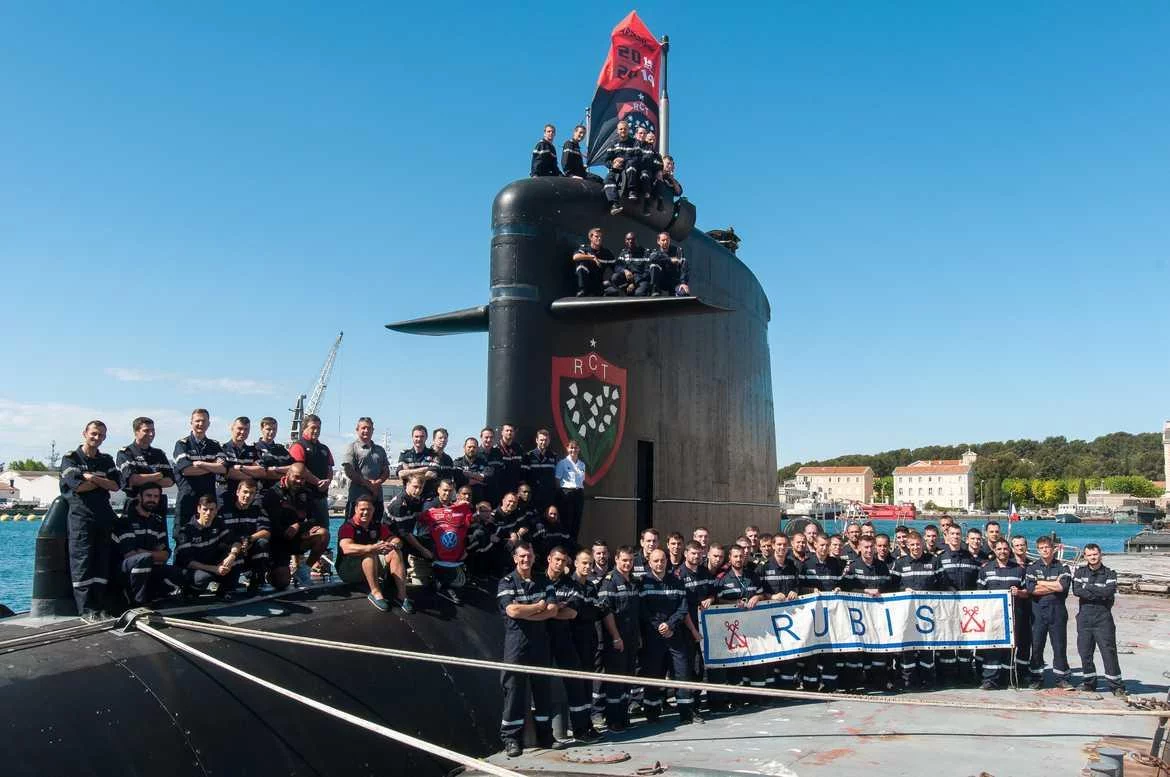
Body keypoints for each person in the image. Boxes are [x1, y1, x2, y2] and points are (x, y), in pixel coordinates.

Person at [499, 542, 559, 756]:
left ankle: (546, 735)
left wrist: (532, 612)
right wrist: (537, 607)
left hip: (539, 643)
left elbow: (552, 610)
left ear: (534, 558)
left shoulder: (543, 580)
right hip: (517, 643)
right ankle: (511, 738)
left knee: (542, 689)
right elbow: (512, 610)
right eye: (522, 556)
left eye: (529, 556)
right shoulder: (506, 582)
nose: (526, 560)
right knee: (514, 690)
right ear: (515, 558)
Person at [60, 420, 123, 620]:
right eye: (94, 434)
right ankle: (86, 609)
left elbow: (115, 486)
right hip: (81, 518)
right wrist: (100, 482)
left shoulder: (106, 459)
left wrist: (92, 478)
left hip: (103, 518)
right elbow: (77, 486)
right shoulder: (70, 459)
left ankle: (100, 606)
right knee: (83, 562)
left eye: (101, 435)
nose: (97, 438)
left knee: (101, 561)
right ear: (85, 433)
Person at [541, 547, 602, 743]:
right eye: (556, 560)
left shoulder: (571, 585)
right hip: (539, 640)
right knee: (539, 685)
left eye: (562, 561)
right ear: (549, 559)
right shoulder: (538, 581)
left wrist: (542, 612)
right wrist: (553, 610)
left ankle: (581, 727)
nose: (559, 564)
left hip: (564, 639)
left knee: (576, 684)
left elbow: (572, 613)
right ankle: (544, 735)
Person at [638, 548, 699, 724]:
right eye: (655, 561)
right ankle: (652, 714)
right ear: (649, 562)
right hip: (653, 637)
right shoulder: (643, 582)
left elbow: (683, 608)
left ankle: (686, 713)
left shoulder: (676, 581)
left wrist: (670, 625)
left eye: (662, 560)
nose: (659, 564)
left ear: (666, 561)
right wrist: (659, 627)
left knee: (681, 673)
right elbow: (643, 611)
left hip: (675, 635)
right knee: (653, 674)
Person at [708, 545, 765, 709]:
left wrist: (757, 597)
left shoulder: (752, 576)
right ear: (730, 558)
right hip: (732, 629)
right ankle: (736, 699)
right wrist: (734, 604)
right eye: (735, 556)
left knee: (754, 662)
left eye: (741, 556)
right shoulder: (722, 579)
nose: (739, 559)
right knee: (735, 665)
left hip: (753, 629)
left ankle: (755, 698)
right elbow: (717, 602)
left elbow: (762, 593)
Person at [337, 495, 411, 613]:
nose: (366, 512)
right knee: (369, 553)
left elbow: (395, 539)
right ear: (356, 509)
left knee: (395, 553)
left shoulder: (377, 526)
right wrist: (372, 547)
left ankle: (402, 596)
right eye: (362, 509)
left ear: (373, 510)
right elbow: (346, 548)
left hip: (370, 564)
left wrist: (393, 545)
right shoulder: (348, 527)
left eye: (369, 509)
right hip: (348, 569)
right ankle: (375, 593)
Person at [261, 462, 330, 590]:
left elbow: (315, 519)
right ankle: (269, 571)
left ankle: (303, 570)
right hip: (277, 542)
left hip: (297, 537)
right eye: (296, 477)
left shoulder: (306, 493)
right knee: (282, 582)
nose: (299, 481)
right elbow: (269, 523)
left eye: (303, 478)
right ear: (288, 475)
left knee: (323, 534)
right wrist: (286, 530)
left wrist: (300, 526)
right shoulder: (273, 494)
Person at [112, 482, 180, 605]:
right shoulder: (125, 521)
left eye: (156, 497)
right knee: (144, 559)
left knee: (176, 572)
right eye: (149, 496)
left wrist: (143, 552)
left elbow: (165, 555)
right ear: (139, 497)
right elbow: (130, 554)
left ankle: (154, 594)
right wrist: (153, 554)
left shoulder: (157, 522)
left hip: (146, 566)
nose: (152, 500)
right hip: (123, 571)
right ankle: (136, 602)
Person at [890, 531, 942, 690]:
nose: (915, 548)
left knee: (926, 648)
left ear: (923, 544)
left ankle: (928, 680)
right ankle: (908, 681)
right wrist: (903, 590)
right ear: (907, 545)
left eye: (918, 544)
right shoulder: (900, 563)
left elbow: (942, 584)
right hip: (907, 615)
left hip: (927, 614)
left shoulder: (933, 561)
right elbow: (891, 586)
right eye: (912, 545)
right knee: (908, 648)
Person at [597, 545, 641, 731]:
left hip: (630, 638)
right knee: (616, 681)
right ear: (616, 560)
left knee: (627, 678)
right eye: (624, 560)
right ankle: (614, 719)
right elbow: (606, 611)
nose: (627, 564)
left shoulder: (632, 580)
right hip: (616, 639)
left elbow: (634, 612)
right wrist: (615, 637)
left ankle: (623, 717)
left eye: (630, 560)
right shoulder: (610, 581)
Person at [843, 535, 894, 692]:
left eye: (871, 547)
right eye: (865, 547)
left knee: (879, 652)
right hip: (858, 618)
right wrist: (865, 591)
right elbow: (846, 588)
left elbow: (889, 589)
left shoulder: (882, 567)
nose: (869, 550)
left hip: (877, 618)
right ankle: (852, 683)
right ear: (859, 548)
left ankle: (879, 682)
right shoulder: (852, 567)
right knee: (856, 653)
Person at [1073, 543, 1124, 696]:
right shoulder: (1080, 572)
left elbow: (1109, 592)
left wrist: (1088, 587)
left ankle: (1116, 686)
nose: (1093, 557)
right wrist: (1098, 592)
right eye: (1089, 555)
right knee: (1085, 652)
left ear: (1100, 554)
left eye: (1095, 554)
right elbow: (1076, 591)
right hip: (1085, 617)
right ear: (1085, 556)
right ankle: (1089, 683)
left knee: (1108, 652)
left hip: (1103, 618)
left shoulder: (1109, 573)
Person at [976, 538, 1027, 690]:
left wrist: (1019, 592)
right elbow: (979, 593)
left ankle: (1007, 678)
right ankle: (989, 680)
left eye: (1005, 549)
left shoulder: (1018, 570)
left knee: (1010, 648)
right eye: (999, 549)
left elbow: (1027, 592)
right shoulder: (986, 569)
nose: (1002, 551)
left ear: (1009, 550)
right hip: (992, 617)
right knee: (991, 648)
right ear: (994, 551)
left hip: (1013, 615)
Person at [416, 480, 476, 604]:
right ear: (438, 490)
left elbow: (463, 527)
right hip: (430, 543)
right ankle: (445, 583)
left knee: (473, 536)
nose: (447, 493)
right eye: (445, 490)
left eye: (450, 491)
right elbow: (423, 531)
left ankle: (444, 581)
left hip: (450, 544)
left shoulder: (456, 506)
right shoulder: (430, 506)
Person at [798, 536, 845, 693]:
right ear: (815, 545)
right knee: (813, 651)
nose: (824, 548)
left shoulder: (836, 564)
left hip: (831, 615)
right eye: (821, 545)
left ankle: (830, 685)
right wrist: (811, 591)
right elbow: (799, 588)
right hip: (812, 615)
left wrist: (839, 588)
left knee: (830, 650)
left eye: (827, 545)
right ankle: (810, 685)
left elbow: (840, 584)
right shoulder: (806, 565)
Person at [1026, 536, 1073, 689]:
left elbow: (1062, 587)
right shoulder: (1032, 567)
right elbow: (1032, 589)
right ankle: (1037, 676)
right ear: (1038, 550)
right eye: (1041, 548)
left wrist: (1041, 582)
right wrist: (1053, 585)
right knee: (1037, 645)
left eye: (1047, 547)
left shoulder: (1062, 567)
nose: (1045, 550)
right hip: (1037, 612)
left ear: (1053, 549)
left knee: (1059, 645)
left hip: (1057, 612)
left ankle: (1061, 678)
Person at [569, 549, 606, 737]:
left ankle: (587, 723)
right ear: (575, 563)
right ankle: (578, 728)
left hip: (589, 641)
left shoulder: (591, 587)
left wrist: (585, 612)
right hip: (573, 642)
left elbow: (595, 612)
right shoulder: (568, 585)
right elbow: (572, 613)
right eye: (583, 563)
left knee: (587, 686)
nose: (587, 567)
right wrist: (586, 612)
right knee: (577, 686)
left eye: (590, 564)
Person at [175, 494, 242, 599]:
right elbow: (188, 562)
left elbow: (236, 541)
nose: (208, 513)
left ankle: (225, 590)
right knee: (204, 577)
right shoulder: (186, 531)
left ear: (216, 510)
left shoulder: (218, 523)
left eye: (212, 510)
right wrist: (215, 569)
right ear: (198, 509)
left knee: (237, 557)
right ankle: (188, 593)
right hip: (193, 569)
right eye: (205, 509)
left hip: (212, 566)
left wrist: (232, 555)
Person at [173, 408, 227, 537]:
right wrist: (212, 466)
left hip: (208, 501)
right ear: (191, 422)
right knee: (183, 539)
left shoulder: (214, 445)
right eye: (197, 421)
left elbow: (223, 469)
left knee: (209, 538)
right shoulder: (182, 445)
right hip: (188, 500)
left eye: (204, 421)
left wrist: (201, 464)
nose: (200, 424)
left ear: (209, 423)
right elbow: (187, 470)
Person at [937, 524, 980, 686]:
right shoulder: (940, 559)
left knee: (965, 642)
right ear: (946, 537)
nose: (955, 537)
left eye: (958, 534)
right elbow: (936, 582)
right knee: (947, 641)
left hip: (966, 608)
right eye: (952, 534)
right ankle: (947, 676)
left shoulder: (970, 558)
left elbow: (978, 582)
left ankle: (965, 674)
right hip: (947, 607)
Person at [218, 478, 271, 595]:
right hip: (229, 551)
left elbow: (266, 531)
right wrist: (237, 546)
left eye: (251, 493)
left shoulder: (257, 510)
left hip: (248, 548)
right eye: (245, 492)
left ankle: (256, 581)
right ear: (238, 492)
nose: (247, 496)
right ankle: (226, 583)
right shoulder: (224, 510)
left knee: (262, 543)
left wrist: (249, 539)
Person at [761, 534, 799, 689]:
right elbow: (757, 591)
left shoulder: (793, 566)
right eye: (778, 545)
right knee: (772, 653)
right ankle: (772, 688)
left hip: (789, 619)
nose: (782, 548)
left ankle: (787, 687)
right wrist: (771, 596)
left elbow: (797, 586)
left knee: (788, 654)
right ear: (773, 545)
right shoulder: (764, 567)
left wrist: (795, 592)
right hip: (769, 620)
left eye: (784, 545)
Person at [115, 416, 174, 514]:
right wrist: (157, 476)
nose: (151, 434)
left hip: (157, 505)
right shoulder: (126, 453)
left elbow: (169, 481)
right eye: (146, 430)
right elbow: (133, 479)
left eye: (153, 430)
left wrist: (144, 478)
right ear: (136, 432)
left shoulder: (159, 454)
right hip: (135, 503)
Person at [342, 417, 391, 524]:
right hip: (356, 499)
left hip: (376, 499)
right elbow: (349, 471)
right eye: (363, 428)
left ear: (373, 430)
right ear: (357, 429)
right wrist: (368, 484)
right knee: (351, 529)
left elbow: (386, 470)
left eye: (369, 428)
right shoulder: (352, 448)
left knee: (376, 530)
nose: (366, 431)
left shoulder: (380, 450)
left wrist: (378, 482)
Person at [289, 414, 334, 530]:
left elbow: (330, 468)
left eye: (319, 428)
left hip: (322, 497)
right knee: (305, 531)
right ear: (304, 428)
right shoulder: (298, 446)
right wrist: (318, 482)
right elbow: (299, 469)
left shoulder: (324, 448)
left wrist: (327, 482)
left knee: (324, 530)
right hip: (304, 497)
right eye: (313, 427)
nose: (316, 430)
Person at [222, 416, 267, 505]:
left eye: (246, 429)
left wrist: (241, 468)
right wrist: (252, 474)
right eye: (240, 428)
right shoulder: (222, 449)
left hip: (248, 498)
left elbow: (261, 472)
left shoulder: (254, 450)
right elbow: (229, 473)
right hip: (227, 495)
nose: (243, 432)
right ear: (232, 428)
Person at [398, 424, 439, 499]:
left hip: (427, 497)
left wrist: (409, 472)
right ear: (412, 437)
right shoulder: (404, 454)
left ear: (426, 437)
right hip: (408, 496)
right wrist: (423, 470)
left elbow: (431, 474)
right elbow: (401, 474)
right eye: (416, 436)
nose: (419, 439)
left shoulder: (433, 454)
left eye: (422, 436)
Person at [571, 227, 614, 297]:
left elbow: (616, 268)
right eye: (596, 236)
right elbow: (575, 257)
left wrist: (609, 281)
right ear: (590, 238)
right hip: (586, 285)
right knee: (582, 262)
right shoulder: (584, 248)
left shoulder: (606, 253)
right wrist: (592, 257)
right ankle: (583, 290)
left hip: (599, 284)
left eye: (600, 237)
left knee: (613, 292)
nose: (599, 238)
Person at [255, 417, 294, 492]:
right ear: (262, 429)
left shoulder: (281, 450)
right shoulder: (255, 449)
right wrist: (284, 473)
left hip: (282, 492)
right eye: (268, 429)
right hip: (263, 492)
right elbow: (262, 472)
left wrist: (275, 469)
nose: (272, 432)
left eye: (274, 429)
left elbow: (294, 468)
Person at [645, 231, 690, 297]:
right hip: (661, 281)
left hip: (674, 281)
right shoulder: (655, 252)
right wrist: (669, 259)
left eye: (667, 240)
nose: (665, 242)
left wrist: (683, 283)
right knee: (654, 266)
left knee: (683, 293)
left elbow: (684, 267)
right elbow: (652, 258)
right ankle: (655, 291)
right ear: (658, 241)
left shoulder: (678, 251)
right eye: (663, 240)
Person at [524, 429, 558, 512]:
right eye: (541, 440)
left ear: (549, 441)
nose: (543, 442)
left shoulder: (554, 456)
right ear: (536, 440)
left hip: (549, 494)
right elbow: (524, 475)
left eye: (546, 440)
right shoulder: (529, 456)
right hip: (534, 494)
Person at [453, 437, 490, 505]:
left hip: (479, 502)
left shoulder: (484, 463)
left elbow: (487, 478)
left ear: (477, 448)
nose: (472, 449)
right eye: (469, 447)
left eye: (474, 447)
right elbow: (458, 478)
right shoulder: (458, 462)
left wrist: (469, 474)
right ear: (464, 447)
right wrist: (477, 480)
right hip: (461, 502)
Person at [637, 131, 663, 215]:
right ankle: (647, 201)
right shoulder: (640, 150)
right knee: (646, 175)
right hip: (641, 175)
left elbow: (659, 166)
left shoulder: (657, 155)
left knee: (659, 180)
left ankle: (659, 202)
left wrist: (659, 172)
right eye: (650, 139)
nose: (652, 141)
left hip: (653, 176)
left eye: (653, 140)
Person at [497, 424, 526, 498]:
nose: (509, 432)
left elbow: (523, 469)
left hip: (515, 487)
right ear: (502, 432)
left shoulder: (519, 449)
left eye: (511, 431)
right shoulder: (496, 449)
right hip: (499, 487)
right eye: (507, 430)